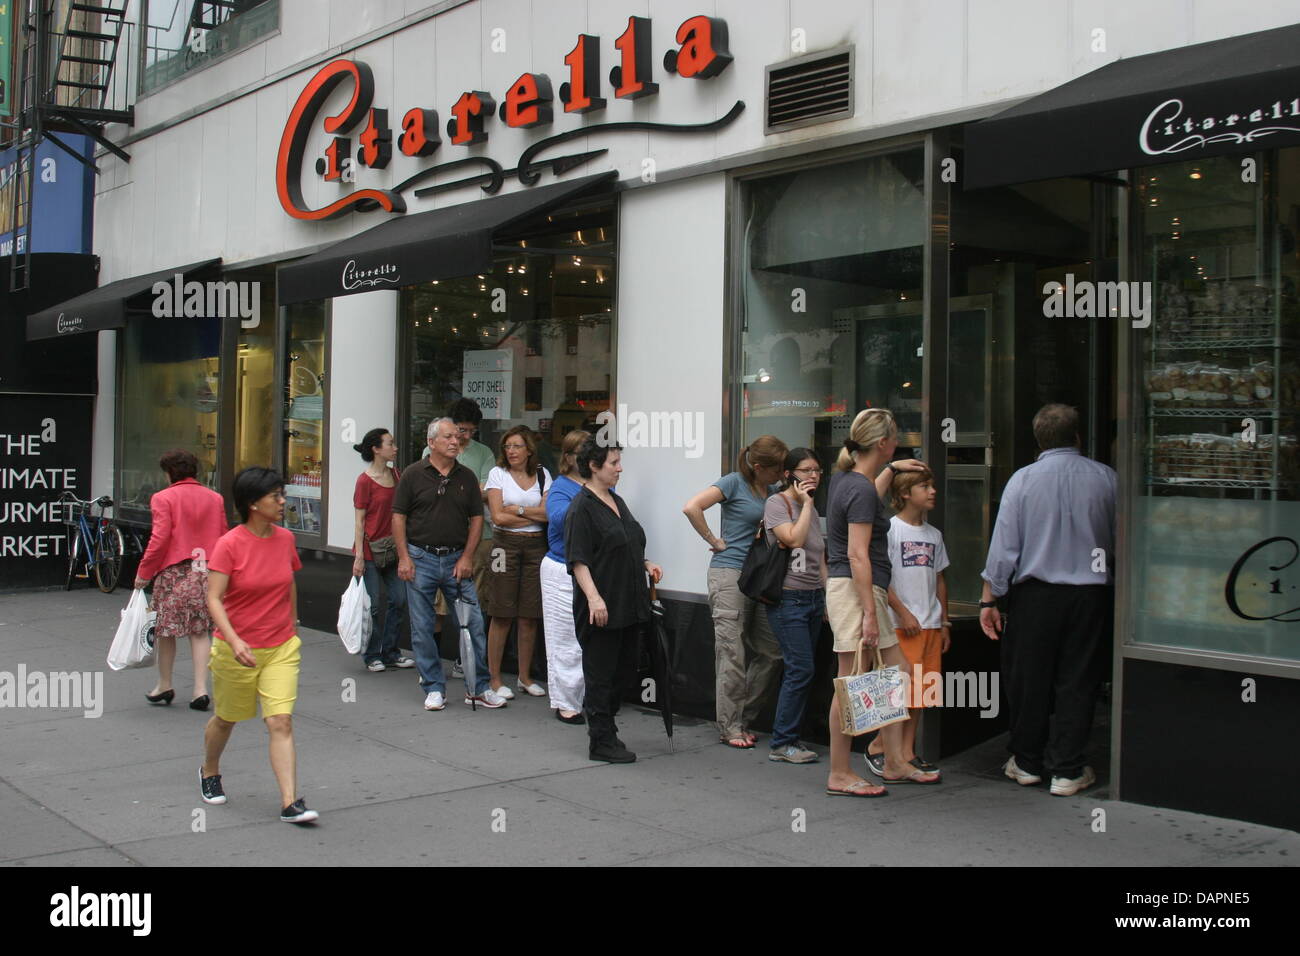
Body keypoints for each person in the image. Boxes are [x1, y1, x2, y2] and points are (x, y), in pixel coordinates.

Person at [979, 403, 1117, 797]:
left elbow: (1004, 548)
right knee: (1078, 680)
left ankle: (1026, 761)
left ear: (1038, 440)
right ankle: (1068, 769)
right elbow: (1118, 542)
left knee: (1030, 679)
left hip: (1035, 597)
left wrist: (990, 598)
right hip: (1090, 595)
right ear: (1077, 437)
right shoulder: (1107, 479)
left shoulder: (1022, 481)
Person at [824, 408, 939, 797]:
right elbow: (858, 554)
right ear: (882, 442)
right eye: (895, 438)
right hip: (856, 591)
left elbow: (865, 501)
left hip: (857, 589)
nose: (899, 442)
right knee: (851, 681)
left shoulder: (847, 481)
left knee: (896, 673)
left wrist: (891, 469)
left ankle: (892, 760)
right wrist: (871, 614)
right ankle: (840, 772)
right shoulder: (855, 487)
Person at [202, 467, 318, 824]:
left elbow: (289, 581)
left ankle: (289, 802)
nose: (283, 502)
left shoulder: (284, 539)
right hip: (237, 650)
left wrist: (294, 623)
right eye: (276, 497)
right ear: (253, 504)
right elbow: (214, 598)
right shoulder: (229, 544)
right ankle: (209, 770)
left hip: (281, 646)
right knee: (227, 718)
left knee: (280, 721)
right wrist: (235, 640)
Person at [682, 435, 787, 749]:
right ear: (758, 467)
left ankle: (743, 718)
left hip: (760, 578)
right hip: (729, 573)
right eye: (776, 468)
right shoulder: (733, 482)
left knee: (771, 652)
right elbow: (691, 507)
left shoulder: (772, 489)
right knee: (732, 651)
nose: (782, 473)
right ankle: (730, 726)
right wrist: (714, 540)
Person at [392, 418, 504, 711]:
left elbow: (477, 519)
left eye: (457, 437)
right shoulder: (413, 475)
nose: (456, 441)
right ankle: (433, 687)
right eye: (448, 437)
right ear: (431, 443)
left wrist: (467, 556)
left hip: (457, 559)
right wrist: (403, 557)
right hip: (420, 558)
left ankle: (478, 687)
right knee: (422, 626)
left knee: (473, 623)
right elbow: (398, 517)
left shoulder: (466, 476)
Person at [566, 438, 662, 763]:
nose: (620, 468)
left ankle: (609, 732)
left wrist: (646, 564)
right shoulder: (581, 508)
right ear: (594, 467)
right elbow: (578, 561)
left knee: (622, 672)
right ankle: (600, 741)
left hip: (628, 604)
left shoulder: (616, 501)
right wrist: (594, 599)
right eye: (613, 463)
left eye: (620, 462)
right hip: (602, 607)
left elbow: (628, 542)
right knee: (600, 674)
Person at [871, 464, 950, 777]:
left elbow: (940, 579)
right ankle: (882, 746)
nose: (932, 491)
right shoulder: (891, 530)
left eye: (932, 486)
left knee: (922, 693)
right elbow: (883, 578)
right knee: (898, 691)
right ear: (904, 493)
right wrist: (903, 612)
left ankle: (907, 750)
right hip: (902, 625)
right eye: (924, 487)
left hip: (930, 624)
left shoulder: (934, 535)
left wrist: (944, 622)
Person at [134, 449, 228, 711]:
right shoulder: (215, 498)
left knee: (166, 631)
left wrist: (144, 572)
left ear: (169, 473)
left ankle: (164, 685)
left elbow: (160, 539)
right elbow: (223, 536)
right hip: (206, 570)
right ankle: (200, 690)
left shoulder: (163, 498)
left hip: (174, 572)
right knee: (200, 631)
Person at [762, 448, 827, 764]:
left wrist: (828, 595)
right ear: (789, 474)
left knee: (801, 668)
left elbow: (819, 555)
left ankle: (791, 737)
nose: (813, 476)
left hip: (813, 597)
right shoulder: (778, 504)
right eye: (805, 470)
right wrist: (807, 505)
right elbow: (794, 539)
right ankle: (782, 742)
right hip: (789, 599)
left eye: (817, 470)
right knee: (800, 667)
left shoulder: (810, 510)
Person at [484, 426, 551, 699]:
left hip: (536, 547)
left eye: (517, 446)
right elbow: (498, 517)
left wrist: (520, 510)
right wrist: (534, 515)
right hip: (504, 546)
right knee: (501, 612)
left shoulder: (543, 474)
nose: (511, 451)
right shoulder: (497, 474)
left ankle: (525, 677)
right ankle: (495, 678)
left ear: (529, 450)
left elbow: (549, 515)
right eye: (508, 446)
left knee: (529, 615)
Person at [352, 428, 415, 673]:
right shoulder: (364, 481)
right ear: (376, 449)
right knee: (374, 605)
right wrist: (358, 556)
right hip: (369, 551)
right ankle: (371, 654)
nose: (395, 447)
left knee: (399, 599)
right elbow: (359, 520)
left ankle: (390, 651)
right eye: (390, 443)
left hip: (394, 548)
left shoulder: (397, 475)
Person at [444, 398, 497, 678]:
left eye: (470, 430)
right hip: (443, 536)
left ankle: (470, 658)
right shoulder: (437, 448)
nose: (465, 436)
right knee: (443, 601)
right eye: (461, 429)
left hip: (479, 537)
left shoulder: (483, 452)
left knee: (475, 598)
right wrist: (471, 487)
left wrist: (454, 488)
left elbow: (489, 490)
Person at [540, 429, 590, 724]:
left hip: (592, 570)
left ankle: (588, 695)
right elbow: (558, 518)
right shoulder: (561, 487)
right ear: (568, 458)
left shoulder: (598, 487)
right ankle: (566, 702)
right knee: (565, 638)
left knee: (588, 638)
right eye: (581, 453)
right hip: (561, 569)